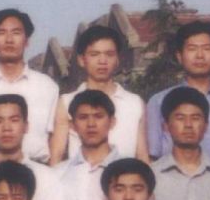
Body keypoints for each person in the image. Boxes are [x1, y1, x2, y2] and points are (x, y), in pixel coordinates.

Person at [141, 20, 210, 163]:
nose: (200, 55)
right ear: (179, 56)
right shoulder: (159, 101)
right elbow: (152, 156)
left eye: (207, 48)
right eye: (192, 49)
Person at [0, 7, 60, 165]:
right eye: (1, 33)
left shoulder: (47, 87)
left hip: (36, 170)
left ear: (27, 41)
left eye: (16, 33)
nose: (9, 40)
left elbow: (55, 137)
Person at [48, 23, 142, 163]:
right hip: (81, 175)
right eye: (94, 54)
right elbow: (56, 155)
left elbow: (142, 155)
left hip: (124, 175)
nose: (102, 61)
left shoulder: (135, 102)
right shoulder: (66, 102)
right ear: (81, 60)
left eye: (109, 54)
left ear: (117, 59)